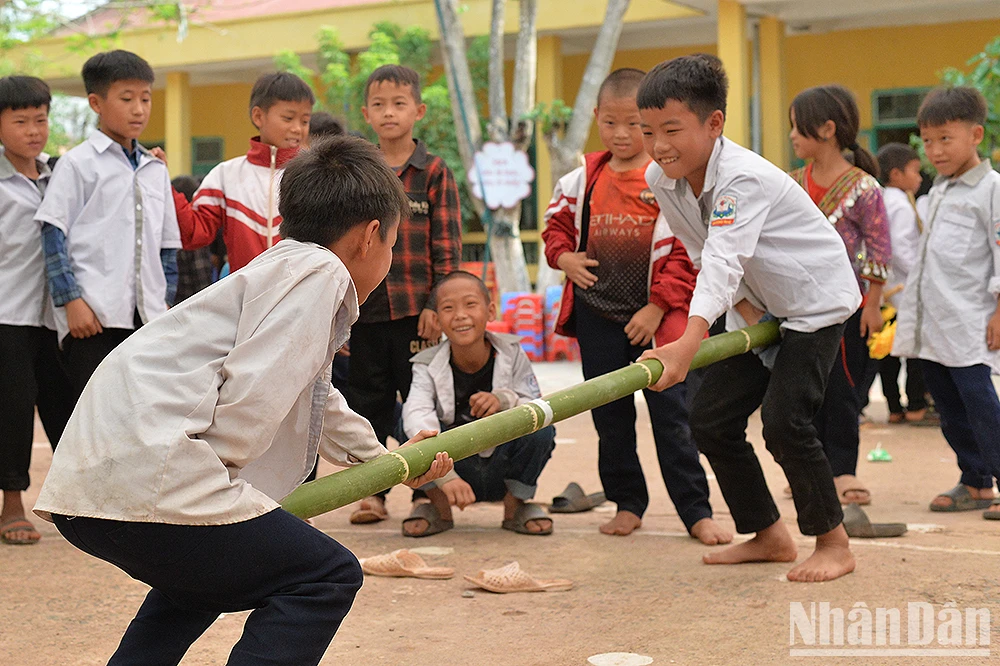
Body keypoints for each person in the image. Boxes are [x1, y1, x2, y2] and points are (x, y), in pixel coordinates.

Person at [33, 135, 455, 665]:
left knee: (194, 586)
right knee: (325, 576)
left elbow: (313, 394)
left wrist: (388, 464)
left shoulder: (280, 267)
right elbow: (255, 394)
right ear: (370, 236)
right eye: (394, 244)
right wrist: (227, 485)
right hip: (157, 476)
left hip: (92, 489)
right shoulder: (322, 274)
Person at [637, 55, 861, 582]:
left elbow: (723, 257)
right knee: (710, 419)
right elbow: (700, 247)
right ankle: (768, 534)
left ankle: (834, 542)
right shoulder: (662, 176)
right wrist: (739, 311)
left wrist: (688, 341)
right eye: (648, 131)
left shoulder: (744, 178)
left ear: (714, 123)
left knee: (787, 423)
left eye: (672, 129)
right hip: (759, 307)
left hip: (812, 305)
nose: (658, 145)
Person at [541, 68, 730, 543]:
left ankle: (696, 511)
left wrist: (658, 307)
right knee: (610, 417)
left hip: (657, 322)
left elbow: (690, 250)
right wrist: (564, 257)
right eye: (610, 123)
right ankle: (628, 503)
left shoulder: (668, 179)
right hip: (597, 316)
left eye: (635, 125)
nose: (622, 135)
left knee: (672, 418)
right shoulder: (584, 177)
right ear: (596, 119)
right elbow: (554, 227)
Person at [348, 64, 463, 524]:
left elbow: (448, 245)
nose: (389, 113)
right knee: (368, 402)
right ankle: (373, 493)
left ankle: (424, 492)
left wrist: (439, 303)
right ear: (366, 113)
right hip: (367, 313)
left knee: (420, 403)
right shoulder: (362, 170)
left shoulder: (434, 171)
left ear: (418, 110)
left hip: (419, 314)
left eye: (399, 104)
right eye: (379, 105)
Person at [35, 50, 180, 394]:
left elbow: (168, 247)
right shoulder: (77, 164)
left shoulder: (155, 168)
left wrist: (166, 302)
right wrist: (71, 301)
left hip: (147, 320)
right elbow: (52, 233)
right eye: (126, 98)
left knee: (141, 417)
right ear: (96, 103)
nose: (139, 109)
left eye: (146, 98)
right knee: (98, 419)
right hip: (93, 320)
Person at [892, 87, 1000, 519]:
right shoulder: (936, 192)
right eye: (927, 140)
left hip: (970, 321)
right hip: (933, 324)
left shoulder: (991, 189)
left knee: (981, 405)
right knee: (949, 408)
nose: (935, 150)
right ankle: (975, 482)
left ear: (975, 134)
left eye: (945, 138)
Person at [787, 85, 891, 506]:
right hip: (797, 306)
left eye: (798, 127)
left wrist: (873, 304)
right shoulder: (791, 182)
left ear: (827, 129)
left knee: (842, 390)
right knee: (804, 393)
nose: (792, 135)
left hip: (846, 308)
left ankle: (843, 470)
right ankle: (812, 470)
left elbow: (880, 246)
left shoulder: (863, 187)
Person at [401, 271, 556, 536]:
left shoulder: (513, 353)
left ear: (490, 311)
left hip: (502, 464)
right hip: (451, 467)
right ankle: (439, 508)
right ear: (437, 320)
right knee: (405, 422)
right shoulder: (426, 365)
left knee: (541, 427)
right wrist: (444, 475)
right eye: (448, 308)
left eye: (470, 304)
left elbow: (534, 403)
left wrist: (502, 400)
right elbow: (417, 414)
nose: (460, 315)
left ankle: (515, 507)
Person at [0, 75, 75, 545]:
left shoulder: (59, 174)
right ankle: (11, 506)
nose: (33, 130)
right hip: (8, 314)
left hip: (60, 315)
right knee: (11, 411)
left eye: (41, 119)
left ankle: (68, 504)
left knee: (67, 406)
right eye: (21, 120)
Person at [172, 71, 314, 273]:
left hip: (302, 297)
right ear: (258, 116)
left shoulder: (314, 175)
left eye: (305, 121)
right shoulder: (226, 176)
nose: (298, 128)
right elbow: (194, 233)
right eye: (288, 118)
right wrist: (162, 184)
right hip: (246, 299)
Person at [875, 143, 927, 424]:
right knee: (914, 348)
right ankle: (917, 404)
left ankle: (894, 407)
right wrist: (923, 272)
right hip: (905, 287)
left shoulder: (883, 198)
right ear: (896, 174)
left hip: (887, 288)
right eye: (915, 171)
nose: (919, 178)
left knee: (888, 351)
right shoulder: (901, 205)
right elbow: (899, 249)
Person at [171, 175, 219, 303]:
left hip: (170, 308)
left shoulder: (168, 232)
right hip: (191, 310)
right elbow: (202, 284)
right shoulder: (194, 237)